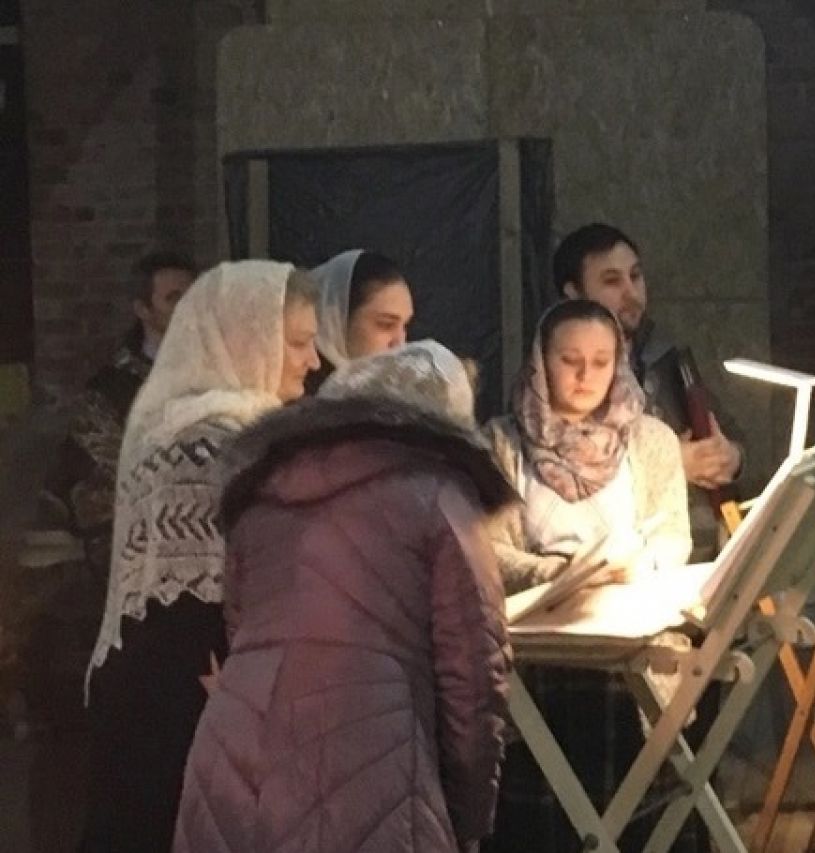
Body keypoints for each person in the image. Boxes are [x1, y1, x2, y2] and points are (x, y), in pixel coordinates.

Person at [173, 341, 513, 853]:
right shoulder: (441, 495)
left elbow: (239, 626)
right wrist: (467, 816)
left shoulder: (261, 494)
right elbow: (472, 675)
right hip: (369, 758)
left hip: (234, 752)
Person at [79, 260, 321, 853]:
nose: (314, 361)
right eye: (297, 342)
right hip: (186, 693)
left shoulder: (198, 422)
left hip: (177, 681)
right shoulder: (209, 440)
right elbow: (195, 594)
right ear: (246, 339)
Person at [482, 299, 695, 852]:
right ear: (540, 361)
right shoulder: (502, 442)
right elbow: (487, 549)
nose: (585, 375)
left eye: (600, 362)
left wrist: (635, 569)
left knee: (631, 771)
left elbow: (673, 536)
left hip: (626, 640)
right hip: (538, 643)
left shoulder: (651, 440)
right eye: (569, 360)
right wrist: (558, 574)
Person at [554, 222, 744, 560]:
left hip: (701, 551)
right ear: (574, 293)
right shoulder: (554, 376)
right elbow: (559, 473)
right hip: (613, 560)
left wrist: (731, 456)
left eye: (636, 276)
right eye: (612, 281)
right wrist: (669, 465)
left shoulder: (668, 356)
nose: (631, 292)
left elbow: (736, 436)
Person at [42, 251, 196, 585]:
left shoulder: (225, 375)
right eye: (174, 299)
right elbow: (94, 489)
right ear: (143, 310)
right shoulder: (110, 393)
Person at [305, 249, 415, 392]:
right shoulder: (295, 394)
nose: (400, 344)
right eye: (386, 325)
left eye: (405, 326)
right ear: (335, 321)